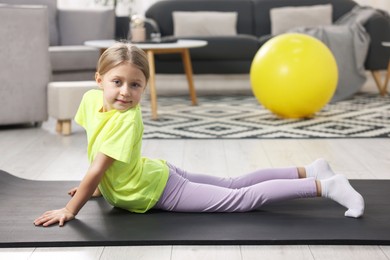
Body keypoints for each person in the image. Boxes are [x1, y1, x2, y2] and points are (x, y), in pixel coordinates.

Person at [34, 43, 365, 227]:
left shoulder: (127, 121)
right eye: (117, 82)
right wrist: (96, 188)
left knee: (240, 198)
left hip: (158, 189)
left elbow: (98, 167)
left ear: (145, 88)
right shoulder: (91, 101)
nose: (125, 92)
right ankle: (311, 169)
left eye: (135, 85)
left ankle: (325, 186)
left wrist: (71, 209)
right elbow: (95, 154)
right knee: (235, 184)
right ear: (99, 79)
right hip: (153, 172)